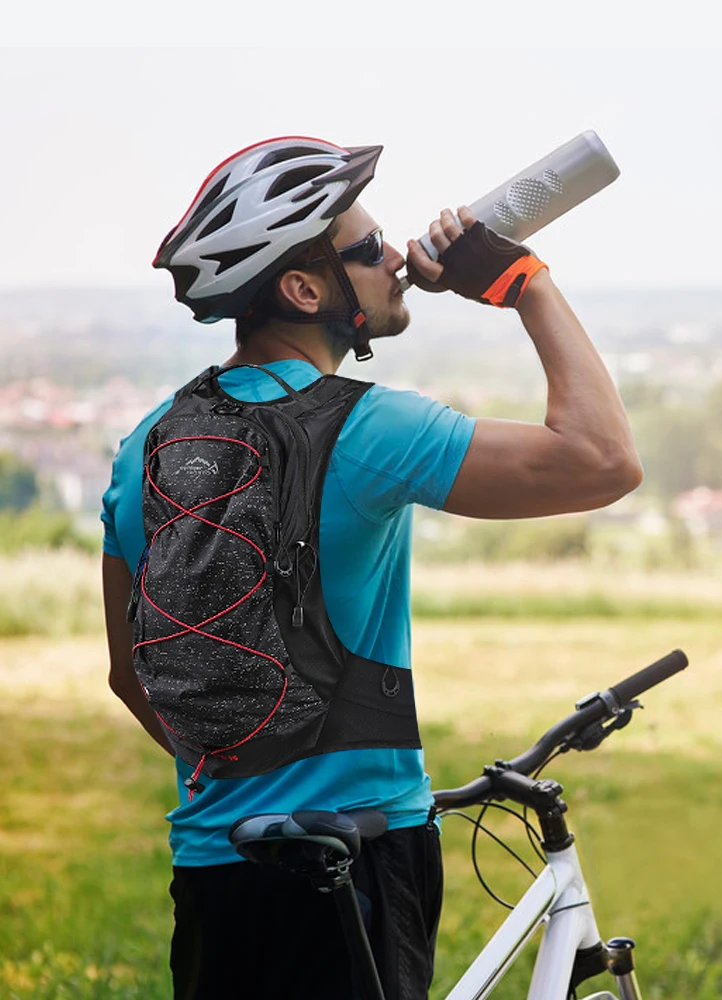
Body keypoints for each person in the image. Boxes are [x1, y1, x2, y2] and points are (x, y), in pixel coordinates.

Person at [101, 136, 642, 1000]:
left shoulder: (146, 447)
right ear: (305, 290)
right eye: (367, 248)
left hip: (214, 864)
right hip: (355, 858)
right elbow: (604, 459)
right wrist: (521, 281)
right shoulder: (371, 430)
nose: (395, 257)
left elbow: (131, 677)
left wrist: (247, 779)